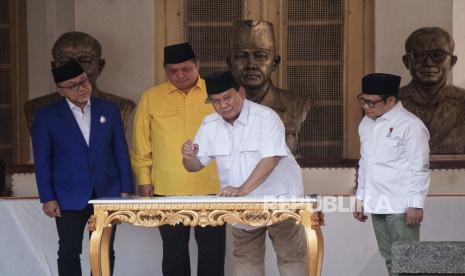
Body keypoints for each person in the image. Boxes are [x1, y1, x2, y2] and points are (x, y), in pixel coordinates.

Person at [182, 71, 308, 276]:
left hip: (279, 199)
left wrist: (242, 190)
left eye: (227, 98)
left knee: (291, 257)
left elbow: (271, 159)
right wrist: (188, 157)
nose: (222, 105)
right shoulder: (209, 124)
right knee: (246, 261)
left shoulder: (266, 117)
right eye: (216, 101)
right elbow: (195, 165)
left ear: (241, 92)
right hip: (240, 207)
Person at [31, 60, 134, 276]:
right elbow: (43, 160)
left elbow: (120, 151)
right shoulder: (47, 116)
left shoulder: (109, 109)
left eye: (83, 82)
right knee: (69, 251)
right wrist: (47, 197)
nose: (81, 88)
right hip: (67, 194)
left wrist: (125, 189)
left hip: (106, 191)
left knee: (104, 249)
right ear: (60, 91)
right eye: (73, 85)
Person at [131, 42, 225, 276]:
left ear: (197, 66)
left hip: (213, 187)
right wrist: (144, 179)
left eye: (186, 69)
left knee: (212, 253)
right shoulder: (152, 97)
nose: (180, 75)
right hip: (168, 187)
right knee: (174, 253)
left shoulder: (216, 93)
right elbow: (141, 142)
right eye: (173, 71)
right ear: (165, 70)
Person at [353, 73, 430, 276]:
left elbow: (419, 168)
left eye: (371, 102)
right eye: (363, 100)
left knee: (409, 260)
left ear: (391, 100)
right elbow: (365, 164)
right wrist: (360, 199)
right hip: (376, 203)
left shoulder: (410, 125)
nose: (366, 107)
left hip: (401, 206)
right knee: (389, 258)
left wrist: (416, 204)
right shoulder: (366, 124)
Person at [227, 20, 312, 154]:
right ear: (230, 63)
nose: (251, 65)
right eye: (241, 56)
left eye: (261, 56)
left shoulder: (298, 106)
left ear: (275, 63)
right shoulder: (220, 107)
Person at [25, 31, 135, 133]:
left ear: (100, 66)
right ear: (54, 67)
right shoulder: (37, 109)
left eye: (85, 61)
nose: (75, 69)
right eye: (66, 62)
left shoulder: (121, 107)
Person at [399, 27, 465, 154]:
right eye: (419, 55)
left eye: (438, 55)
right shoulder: (388, 104)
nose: (429, 62)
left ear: (452, 61)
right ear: (407, 62)